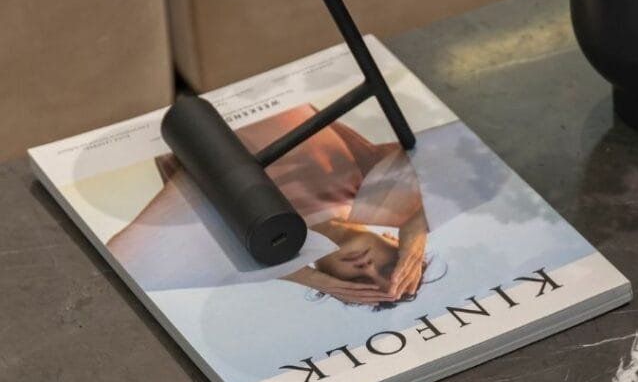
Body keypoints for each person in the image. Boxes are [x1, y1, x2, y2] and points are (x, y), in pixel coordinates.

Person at [107, 105, 431, 306]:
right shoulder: (368, 184)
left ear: (330, 276)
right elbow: (430, 161)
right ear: (392, 240)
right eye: (389, 268)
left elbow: (125, 261)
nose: (367, 268)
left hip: (159, 111)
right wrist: (416, 233)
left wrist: (310, 279)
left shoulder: (246, 231)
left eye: (359, 283)